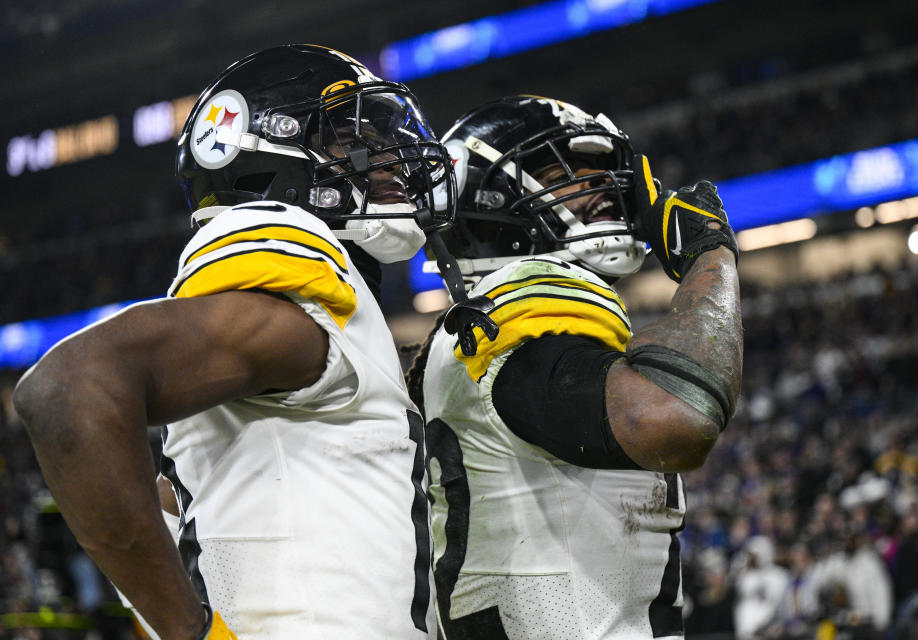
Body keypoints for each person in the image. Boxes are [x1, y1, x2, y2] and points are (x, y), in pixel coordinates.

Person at [13, 44, 457, 639]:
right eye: (354, 138)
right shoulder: (293, 302)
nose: (389, 161)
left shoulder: (296, 325)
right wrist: (190, 632)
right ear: (264, 150)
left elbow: (179, 509)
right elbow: (68, 389)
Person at [405, 95, 743, 639]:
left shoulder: (477, 325)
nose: (602, 190)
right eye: (565, 173)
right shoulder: (525, 301)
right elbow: (680, 418)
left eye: (601, 174)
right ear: (488, 198)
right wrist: (711, 254)